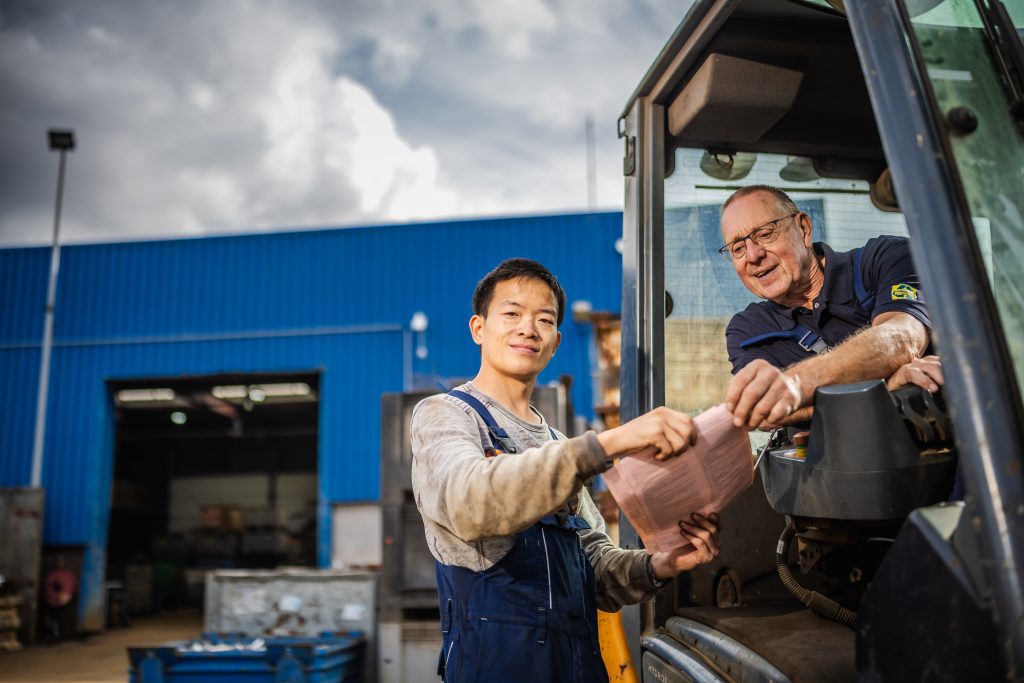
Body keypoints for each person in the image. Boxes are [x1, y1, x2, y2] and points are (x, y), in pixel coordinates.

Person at [410, 258, 720, 683]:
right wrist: (606, 443)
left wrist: (661, 564)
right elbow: (468, 503)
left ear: (555, 342)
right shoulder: (446, 415)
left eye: (544, 319)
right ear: (478, 328)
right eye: (512, 313)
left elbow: (594, 569)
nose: (528, 328)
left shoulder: (557, 442)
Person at [720, 185, 943, 430]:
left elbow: (902, 338)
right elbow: (762, 413)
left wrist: (796, 385)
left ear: (804, 229)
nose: (753, 256)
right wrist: (884, 389)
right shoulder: (748, 330)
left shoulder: (885, 259)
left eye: (765, 234)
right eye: (738, 249)